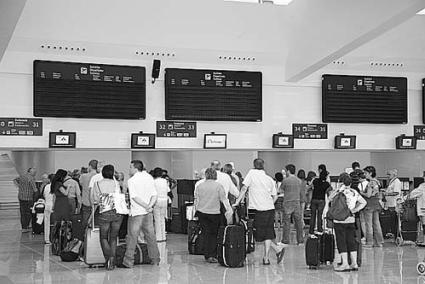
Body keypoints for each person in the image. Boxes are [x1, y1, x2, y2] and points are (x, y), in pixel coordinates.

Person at [234, 158, 286, 265]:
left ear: (254, 165)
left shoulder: (251, 173)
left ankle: (276, 249)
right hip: (269, 209)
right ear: (263, 166)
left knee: (257, 234)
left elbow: (244, 188)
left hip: (257, 210)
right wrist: (269, 202)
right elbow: (275, 196)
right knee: (268, 233)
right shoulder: (269, 179)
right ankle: (267, 258)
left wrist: (237, 202)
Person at [120, 160, 160, 268]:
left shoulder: (132, 180)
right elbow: (154, 195)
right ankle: (155, 259)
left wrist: (144, 206)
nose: (129, 169)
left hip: (137, 212)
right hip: (148, 213)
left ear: (135, 168)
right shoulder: (149, 178)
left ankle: (128, 261)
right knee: (151, 236)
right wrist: (149, 206)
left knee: (132, 237)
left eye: (130, 167)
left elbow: (134, 197)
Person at [194, 168, 233, 263]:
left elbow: (196, 200)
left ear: (206, 175)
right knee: (214, 234)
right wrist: (229, 210)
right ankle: (212, 254)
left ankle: (206, 254)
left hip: (202, 212)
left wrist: (195, 211)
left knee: (205, 233)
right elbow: (224, 200)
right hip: (214, 213)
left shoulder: (200, 185)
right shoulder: (218, 186)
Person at [329, 173, 366, 272]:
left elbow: (329, 198)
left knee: (341, 241)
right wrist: (354, 210)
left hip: (339, 220)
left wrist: (337, 188)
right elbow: (364, 202)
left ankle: (345, 264)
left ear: (340, 182)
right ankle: (354, 263)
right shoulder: (354, 192)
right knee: (351, 241)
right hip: (351, 219)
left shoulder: (338, 192)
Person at [90, 164, 123, 270]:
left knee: (103, 237)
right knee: (113, 238)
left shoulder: (97, 184)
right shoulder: (116, 183)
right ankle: (112, 260)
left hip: (104, 212)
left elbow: (94, 199)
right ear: (112, 173)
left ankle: (108, 259)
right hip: (117, 212)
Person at [280, 164, 304, 245]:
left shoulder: (285, 180)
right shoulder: (299, 181)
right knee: (298, 223)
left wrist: (284, 177)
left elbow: (280, 190)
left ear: (288, 171)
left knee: (286, 223)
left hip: (287, 203)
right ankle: (300, 241)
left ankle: (285, 240)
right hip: (297, 202)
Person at [361, 166, 384, 248]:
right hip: (376, 205)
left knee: (368, 224)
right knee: (377, 223)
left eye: (366, 173)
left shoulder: (370, 183)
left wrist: (361, 193)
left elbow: (368, 195)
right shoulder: (377, 182)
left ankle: (369, 242)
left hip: (369, 205)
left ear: (370, 173)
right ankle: (379, 242)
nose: (365, 175)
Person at [14, 167, 38, 232]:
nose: (35, 174)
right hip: (28, 198)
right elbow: (35, 189)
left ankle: (23, 227)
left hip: (21, 197)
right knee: (28, 213)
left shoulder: (22, 176)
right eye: (34, 172)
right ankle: (26, 226)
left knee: (22, 213)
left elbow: (15, 180)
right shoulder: (31, 178)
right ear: (30, 172)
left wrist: (19, 186)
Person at [309, 166, 331, 235]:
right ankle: (319, 229)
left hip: (314, 199)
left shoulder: (315, 181)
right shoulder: (326, 184)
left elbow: (310, 185)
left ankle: (311, 230)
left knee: (313, 215)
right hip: (321, 200)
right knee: (319, 215)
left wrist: (314, 178)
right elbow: (329, 189)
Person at [152, 167, 170, 242]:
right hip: (164, 200)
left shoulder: (154, 181)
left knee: (157, 219)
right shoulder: (164, 181)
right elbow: (168, 190)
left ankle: (158, 237)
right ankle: (163, 236)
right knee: (162, 218)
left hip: (157, 200)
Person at [383, 169, 402, 238]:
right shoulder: (392, 182)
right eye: (387, 174)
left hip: (394, 204)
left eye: (389, 174)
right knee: (392, 220)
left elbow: (396, 192)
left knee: (394, 220)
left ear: (394, 175)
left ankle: (397, 235)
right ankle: (394, 234)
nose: (387, 176)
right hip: (390, 204)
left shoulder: (396, 182)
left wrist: (386, 193)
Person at [79, 159, 98, 229]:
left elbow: (81, 183)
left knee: (85, 223)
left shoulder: (83, 176)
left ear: (90, 166)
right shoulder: (99, 177)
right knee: (95, 224)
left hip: (86, 202)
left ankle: (84, 238)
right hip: (96, 203)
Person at [407, 173, 425, 244]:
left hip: (423, 208)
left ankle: (424, 241)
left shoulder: (423, 186)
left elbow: (412, 194)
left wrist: (408, 196)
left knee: (424, 224)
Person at [43, 174, 55, 244]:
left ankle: (46, 239)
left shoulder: (46, 186)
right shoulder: (55, 187)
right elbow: (54, 197)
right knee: (53, 224)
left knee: (46, 223)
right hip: (52, 206)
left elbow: (44, 195)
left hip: (46, 205)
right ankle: (52, 238)